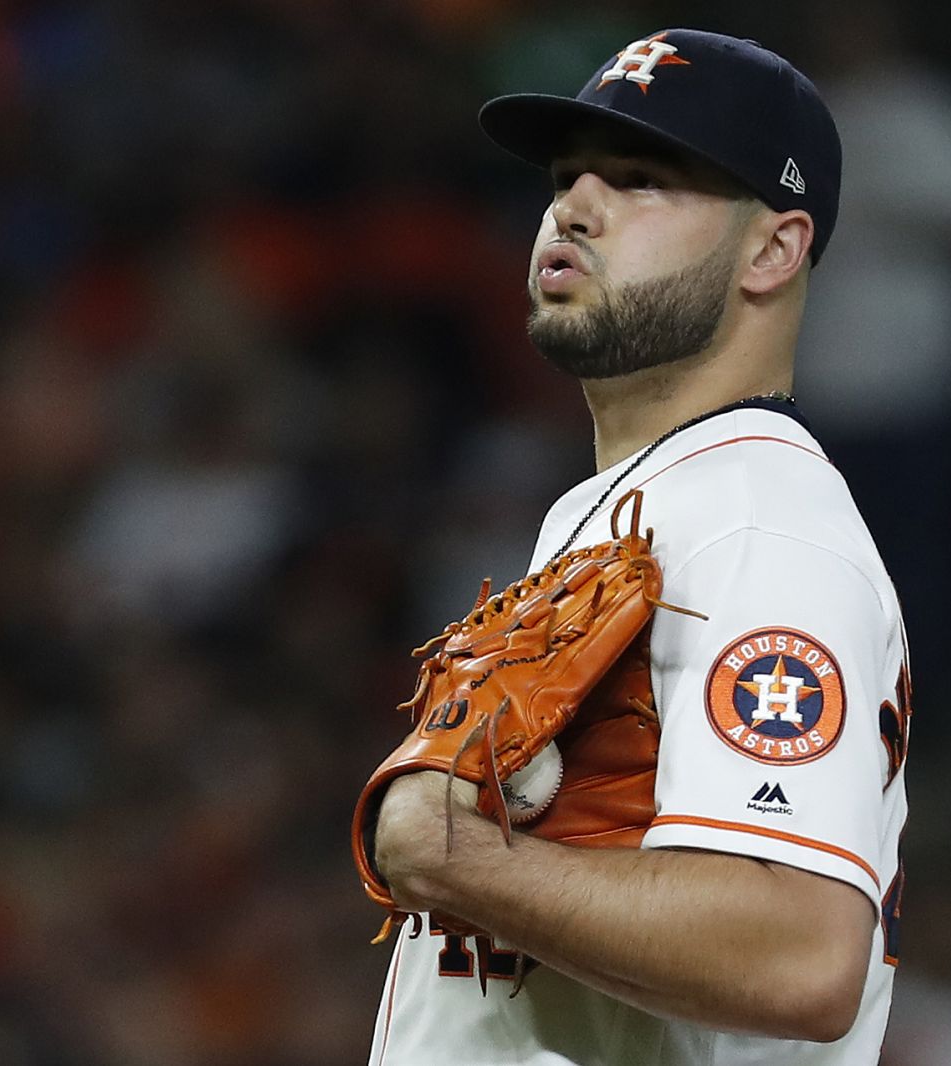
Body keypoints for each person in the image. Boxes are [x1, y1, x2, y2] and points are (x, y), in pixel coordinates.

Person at [362, 28, 913, 1065]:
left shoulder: (760, 521)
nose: (572, 206)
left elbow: (800, 953)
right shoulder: (618, 507)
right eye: (568, 176)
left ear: (772, 250)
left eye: (641, 180)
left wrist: (452, 857)